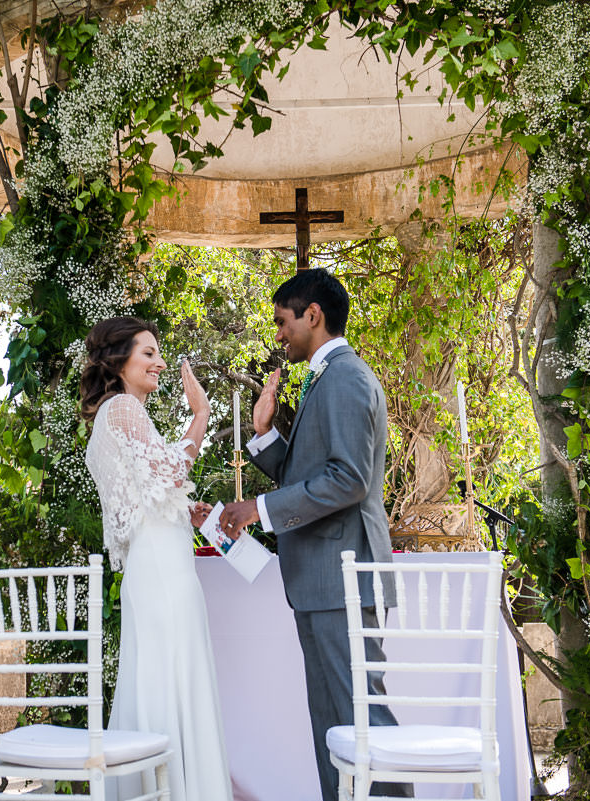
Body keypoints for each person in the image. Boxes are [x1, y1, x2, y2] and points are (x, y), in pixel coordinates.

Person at [218, 270, 409, 800]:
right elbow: (312, 479)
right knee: (334, 724)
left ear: (313, 315)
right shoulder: (326, 378)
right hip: (324, 582)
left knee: (360, 722)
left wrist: (256, 509)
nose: (279, 334)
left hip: (343, 577)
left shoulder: (345, 378)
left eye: (282, 321)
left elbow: (349, 479)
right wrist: (265, 436)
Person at [80, 316, 233, 801]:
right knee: (171, 677)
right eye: (148, 353)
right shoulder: (123, 407)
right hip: (162, 573)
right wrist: (201, 415)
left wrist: (185, 512)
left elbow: (150, 495)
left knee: (162, 676)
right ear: (119, 360)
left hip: (160, 563)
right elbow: (169, 473)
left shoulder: (121, 413)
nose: (160, 362)